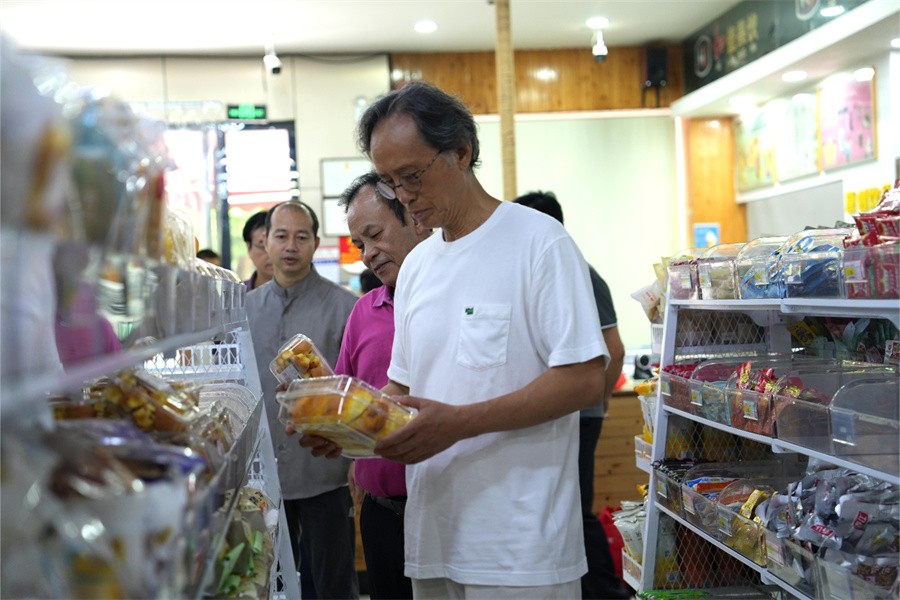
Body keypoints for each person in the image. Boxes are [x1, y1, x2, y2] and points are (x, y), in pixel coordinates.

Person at [305, 81, 610, 599]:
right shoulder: (418, 265)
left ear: (462, 152)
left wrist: (459, 424)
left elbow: (584, 380)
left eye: (412, 175)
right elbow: (403, 390)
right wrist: (348, 427)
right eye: (390, 182)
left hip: (521, 547)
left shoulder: (539, 243)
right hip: (433, 537)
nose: (404, 195)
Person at [514, 190, 629, 600]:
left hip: (577, 412)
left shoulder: (578, 271)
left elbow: (614, 349)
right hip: (558, 411)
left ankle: (606, 593)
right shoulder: (539, 269)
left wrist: (600, 400)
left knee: (574, 510)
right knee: (559, 509)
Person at [245, 200, 359, 599]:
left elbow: (356, 390)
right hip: (261, 475)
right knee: (266, 585)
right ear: (265, 241)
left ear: (315, 242)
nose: (291, 246)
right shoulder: (245, 309)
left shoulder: (346, 307)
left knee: (333, 586)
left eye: (301, 236)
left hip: (324, 472)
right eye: (281, 236)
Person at [335, 171, 430, 599]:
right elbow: (347, 393)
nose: (368, 255)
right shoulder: (363, 312)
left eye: (375, 236)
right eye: (360, 245)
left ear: (415, 218)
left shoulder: (451, 301)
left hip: (446, 510)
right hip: (381, 512)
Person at [242, 210, 274, 291]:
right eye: (263, 246)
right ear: (249, 248)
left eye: (275, 246)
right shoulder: (237, 295)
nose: (271, 254)